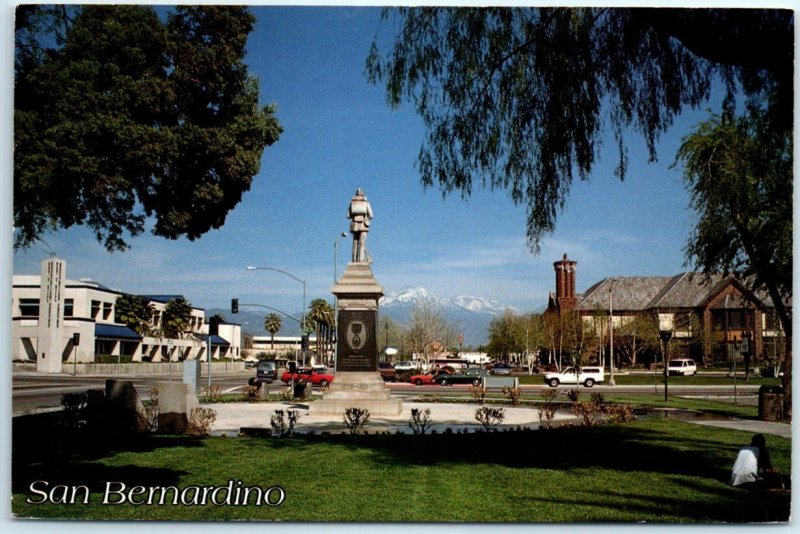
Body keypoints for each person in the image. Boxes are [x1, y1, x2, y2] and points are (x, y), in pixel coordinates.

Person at [347, 188, 373, 263]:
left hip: (355, 224)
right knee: (362, 242)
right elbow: (371, 215)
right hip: (363, 225)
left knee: (355, 242)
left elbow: (348, 216)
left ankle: (354, 259)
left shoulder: (352, 203)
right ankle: (361, 259)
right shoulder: (366, 203)